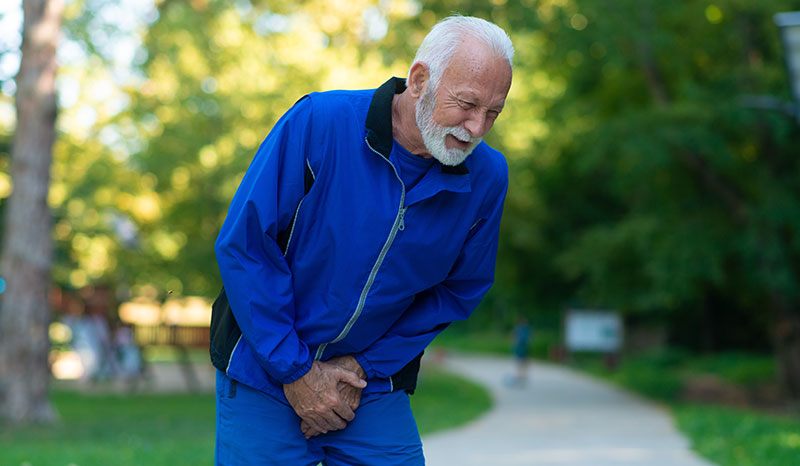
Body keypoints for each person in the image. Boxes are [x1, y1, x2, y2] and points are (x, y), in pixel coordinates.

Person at [211, 15, 514, 465]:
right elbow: (246, 245)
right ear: (419, 80)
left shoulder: (488, 176)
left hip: (368, 384)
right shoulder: (319, 122)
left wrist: (361, 367)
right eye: (467, 104)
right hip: (264, 368)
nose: (477, 127)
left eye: (493, 113)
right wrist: (296, 371)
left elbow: (458, 289)